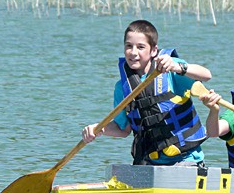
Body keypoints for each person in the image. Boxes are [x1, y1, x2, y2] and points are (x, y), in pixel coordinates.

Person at [82, 20, 212, 166]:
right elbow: (123, 129)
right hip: (149, 162)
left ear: (153, 50)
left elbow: (206, 75)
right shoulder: (122, 87)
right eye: (128, 46)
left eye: (141, 47)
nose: (133, 52)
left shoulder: (170, 70)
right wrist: (99, 128)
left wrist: (177, 67)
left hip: (185, 159)